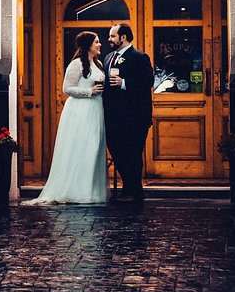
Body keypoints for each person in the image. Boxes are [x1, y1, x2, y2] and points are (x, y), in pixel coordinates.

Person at [23, 31, 108, 205]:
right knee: (82, 149)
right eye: (97, 42)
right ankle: (76, 191)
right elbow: (67, 88)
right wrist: (89, 91)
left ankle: (92, 191)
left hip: (96, 110)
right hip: (80, 111)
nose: (100, 44)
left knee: (94, 149)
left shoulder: (98, 63)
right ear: (88, 45)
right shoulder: (76, 64)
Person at [103, 22, 154, 203]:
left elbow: (147, 81)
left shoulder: (140, 57)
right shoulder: (109, 57)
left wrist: (124, 83)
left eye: (113, 36)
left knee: (132, 153)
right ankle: (128, 188)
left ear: (123, 37)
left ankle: (134, 191)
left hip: (134, 117)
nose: (109, 39)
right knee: (117, 152)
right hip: (113, 117)